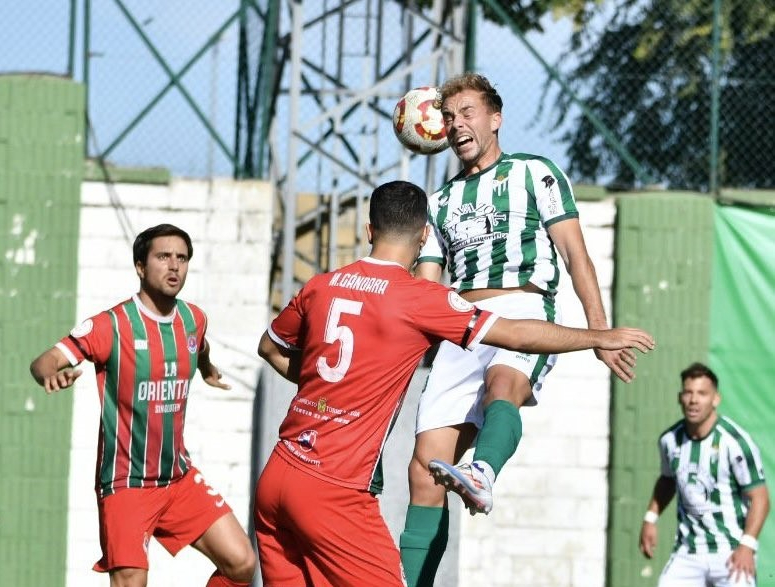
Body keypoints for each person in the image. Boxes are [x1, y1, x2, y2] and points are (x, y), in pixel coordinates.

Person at [255, 180, 655, 587]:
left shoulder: (320, 285)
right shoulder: (418, 299)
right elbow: (516, 335)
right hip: (333, 491)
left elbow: (269, 348)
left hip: (277, 478)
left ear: (369, 231)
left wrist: (319, 387)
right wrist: (597, 336)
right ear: (425, 234)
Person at [399, 72, 639, 586]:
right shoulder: (439, 203)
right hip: (461, 324)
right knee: (423, 471)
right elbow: (426, 288)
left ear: (495, 118)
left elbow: (576, 255)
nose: (456, 123)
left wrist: (598, 333)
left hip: (524, 308)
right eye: (448, 116)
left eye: (467, 112)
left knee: (501, 386)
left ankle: (484, 473)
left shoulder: (536, 173)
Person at [29, 224, 255, 587]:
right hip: (127, 484)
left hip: (179, 479)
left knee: (241, 562)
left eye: (181, 258)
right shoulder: (111, 325)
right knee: (132, 580)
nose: (174, 266)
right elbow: (43, 361)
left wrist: (207, 368)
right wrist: (50, 375)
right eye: (163, 257)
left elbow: (200, 345)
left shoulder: (192, 319)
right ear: (139, 266)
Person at [638, 362, 769, 587]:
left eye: (702, 393)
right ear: (680, 398)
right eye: (688, 392)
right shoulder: (670, 440)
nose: (694, 400)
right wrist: (650, 518)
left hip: (732, 551)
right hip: (688, 551)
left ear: (715, 399)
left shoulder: (735, 442)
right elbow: (667, 480)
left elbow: (761, 498)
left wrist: (748, 545)